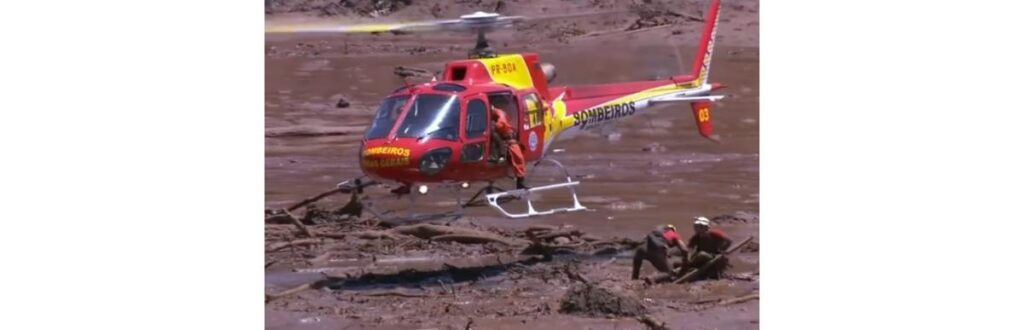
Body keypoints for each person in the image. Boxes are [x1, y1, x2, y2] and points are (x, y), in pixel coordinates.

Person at [491, 104, 528, 190]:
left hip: (509, 139)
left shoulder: (499, 113)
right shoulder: (495, 114)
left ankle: (520, 183)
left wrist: (494, 127)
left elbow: (501, 124)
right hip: (506, 138)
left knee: (519, 159)